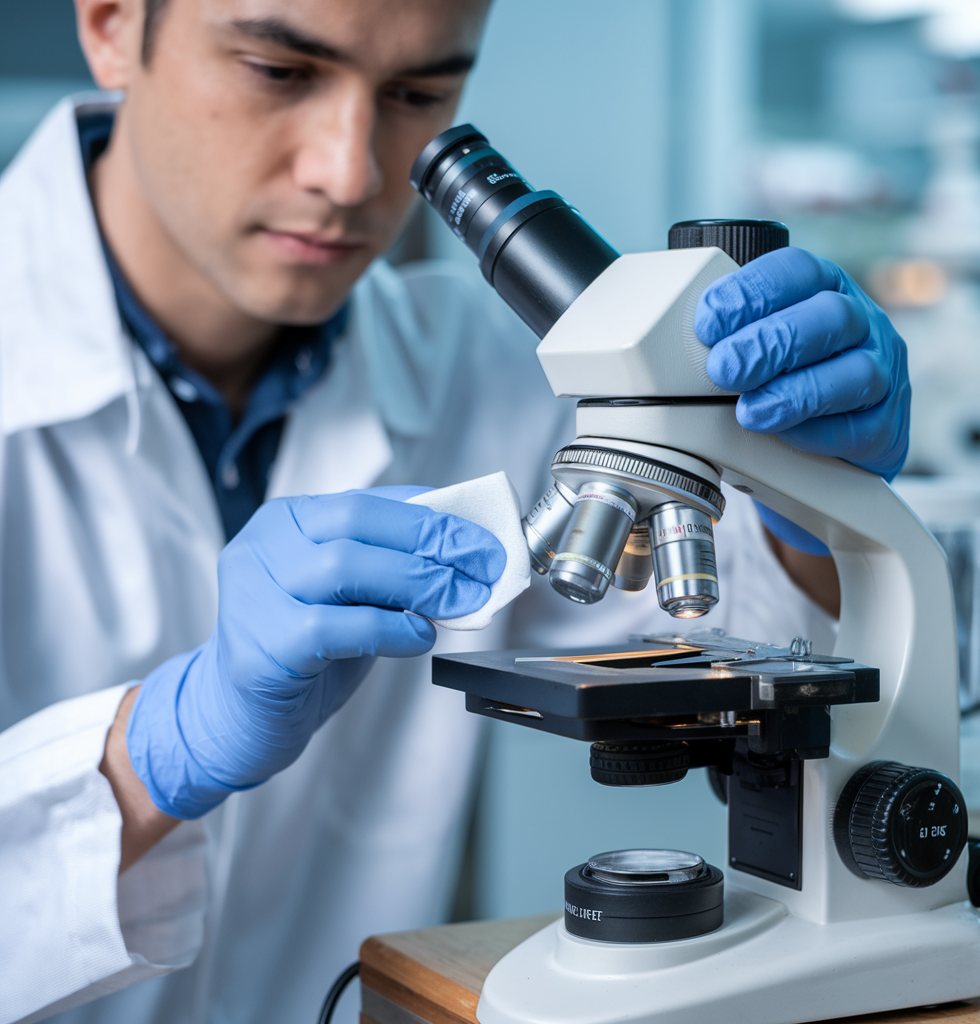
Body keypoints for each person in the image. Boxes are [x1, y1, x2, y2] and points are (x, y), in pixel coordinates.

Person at [0, 0, 910, 1021]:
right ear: (114, 24)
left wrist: (811, 504)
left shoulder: (482, 371)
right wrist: (145, 757)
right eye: (277, 70)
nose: (349, 174)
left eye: (418, 97)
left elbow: (747, 643)